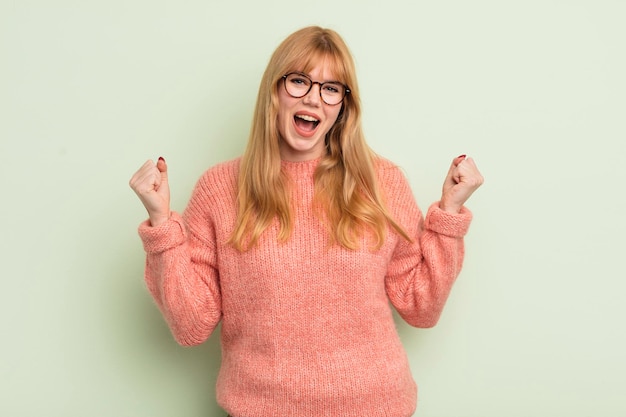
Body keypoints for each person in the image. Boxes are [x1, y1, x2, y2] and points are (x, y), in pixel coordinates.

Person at [129, 26, 483, 417]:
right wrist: (161, 225)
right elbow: (191, 325)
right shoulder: (220, 188)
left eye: (331, 88)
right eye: (299, 81)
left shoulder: (381, 182)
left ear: (343, 105)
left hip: (376, 406)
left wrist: (448, 213)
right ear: (275, 91)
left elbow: (423, 307)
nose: (314, 98)